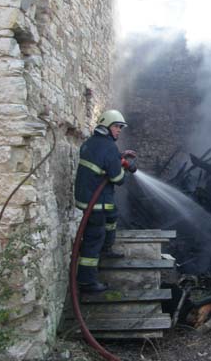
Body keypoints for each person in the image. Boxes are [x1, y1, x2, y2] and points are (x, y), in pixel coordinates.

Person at [74, 109, 137, 293]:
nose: (119, 130)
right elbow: (118, 179)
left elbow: (101, 160)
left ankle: (106, 248)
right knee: (93, 239)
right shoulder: (109, 147)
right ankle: (87, 282)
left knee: (113, 215)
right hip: (96, 202)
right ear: (106, 126)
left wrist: (119, 157)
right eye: (116, 126)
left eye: (120, 127)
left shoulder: (91, 142)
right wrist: (123, 168)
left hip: (89, 197)